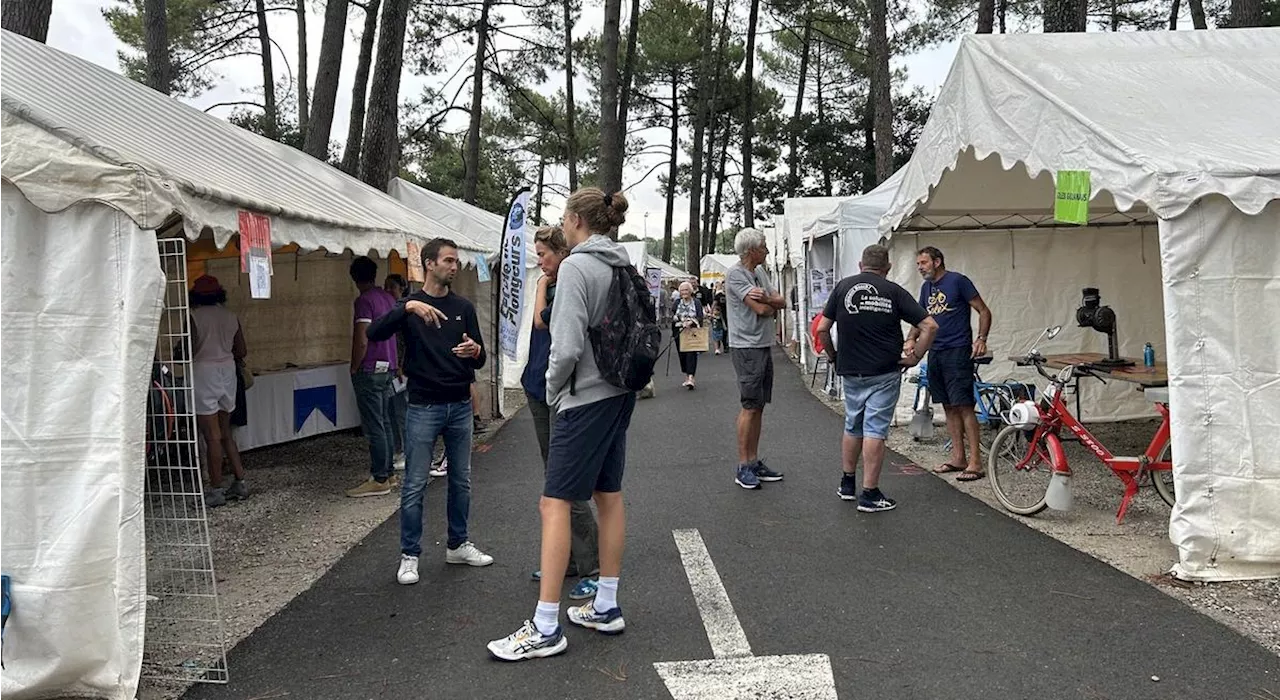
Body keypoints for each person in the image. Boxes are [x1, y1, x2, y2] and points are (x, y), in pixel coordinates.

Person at [487, 187, 637, 661]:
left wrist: (552, 388)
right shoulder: (622, 263)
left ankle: (546, 624)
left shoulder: (575, 266)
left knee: (554, 503)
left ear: (574, 220)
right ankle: (606, 604)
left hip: (583, 398)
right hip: (618, 392)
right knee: (608, 496)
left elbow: (566, 346)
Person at [367, 238, 494, 585]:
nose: (454, 267)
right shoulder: (410, 306)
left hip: (459, 404)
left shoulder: (463, 306)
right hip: (423, 405)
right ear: (429, 264)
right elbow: (373, 332)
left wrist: (475, 350)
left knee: (461, 480)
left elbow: (481, 357)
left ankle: (458, 544)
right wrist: (406, 308)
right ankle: (410, 555)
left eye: (456, 261)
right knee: (415, 483)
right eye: (449, 261)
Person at [817, 245, 939, 512]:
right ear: (888, 267)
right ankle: (870, 493)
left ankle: (847, 484)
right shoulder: (894, 292)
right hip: (883, 371)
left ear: (861, 265)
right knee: (874, 430)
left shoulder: (842, 288)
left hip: (850, 370)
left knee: (853, 424)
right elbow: (930, 325)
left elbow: (822, 328)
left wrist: (834, 356)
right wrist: (916, 357)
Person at [521, 225, 601, 601]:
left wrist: (539, 287)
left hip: (556, 390)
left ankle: (592, 564)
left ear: (561, 252)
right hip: (537, 384)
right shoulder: (556, 281)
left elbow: (542, 321)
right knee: (554, 478)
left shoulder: (566, 284)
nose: (540, 263)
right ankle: (567, 557)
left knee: (564, 482)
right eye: (537, 256)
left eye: (543, 255)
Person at [906, 246, 993, 482]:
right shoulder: (927, 288)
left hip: (957, 350)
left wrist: (981, 339)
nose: (920, 268)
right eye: (918, 264)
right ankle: (958, 458)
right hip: (935, 351)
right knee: (947, 405)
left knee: (964, 405)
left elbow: (983, 310)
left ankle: (976, 462)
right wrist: (911, 338)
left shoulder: (958, 281)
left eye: (923, 263)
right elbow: (920, 317)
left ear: (937, 261)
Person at [724, 228, 786, 489]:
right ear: (751, 250)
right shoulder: (736, 274)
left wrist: (770, 300)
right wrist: (771, 302)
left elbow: (780, 301)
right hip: (746, 345)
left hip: (762, 343)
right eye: (763, 247)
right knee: (750, 404)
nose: (767, 251)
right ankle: (743, 465)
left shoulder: (759, 272)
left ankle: (753, 460)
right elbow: (762, 309)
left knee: (759, 405)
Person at [188, 275, 249, 508]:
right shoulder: (231, 316)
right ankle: (240, 481)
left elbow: (188, 349)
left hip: (204, 374)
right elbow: (242, 349)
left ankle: (215, 490)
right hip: (227, 373)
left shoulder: (194, 317)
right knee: (225, 433)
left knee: (211, 436)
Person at [345, 257, 400, 498]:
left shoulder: (363, 301)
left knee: (374, 423)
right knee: (386, 421)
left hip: (369, 368)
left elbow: (362, 337)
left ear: (354, 278)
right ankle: (388, 473)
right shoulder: (388, 298)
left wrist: (354, 365)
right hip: (388, 365)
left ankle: (379, 477)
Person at [384, 273, 410, 472]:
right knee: (392, 411)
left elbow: (403, 342)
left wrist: (401, 364)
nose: (388, 290)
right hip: (391, 366)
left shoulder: (404, 309)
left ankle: (408, 452)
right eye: (386, 286)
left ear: (402, 288)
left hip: (401, 368)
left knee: (402, 411)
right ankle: (398, 449)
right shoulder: (390, 309)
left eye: (392, 286)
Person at [672, 281, 705, 389]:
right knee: (682, 355)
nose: (684, 292)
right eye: (682, 290)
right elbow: (674, 316)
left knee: (691, 353)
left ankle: (691, 377)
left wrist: (691, 322)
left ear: (690, 291)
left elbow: (700, 316)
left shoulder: (696, 302)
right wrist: (681, 321)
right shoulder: (677, 302)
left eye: (686, 290)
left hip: (692, 332)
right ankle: (687, 375)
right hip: (679, 331)